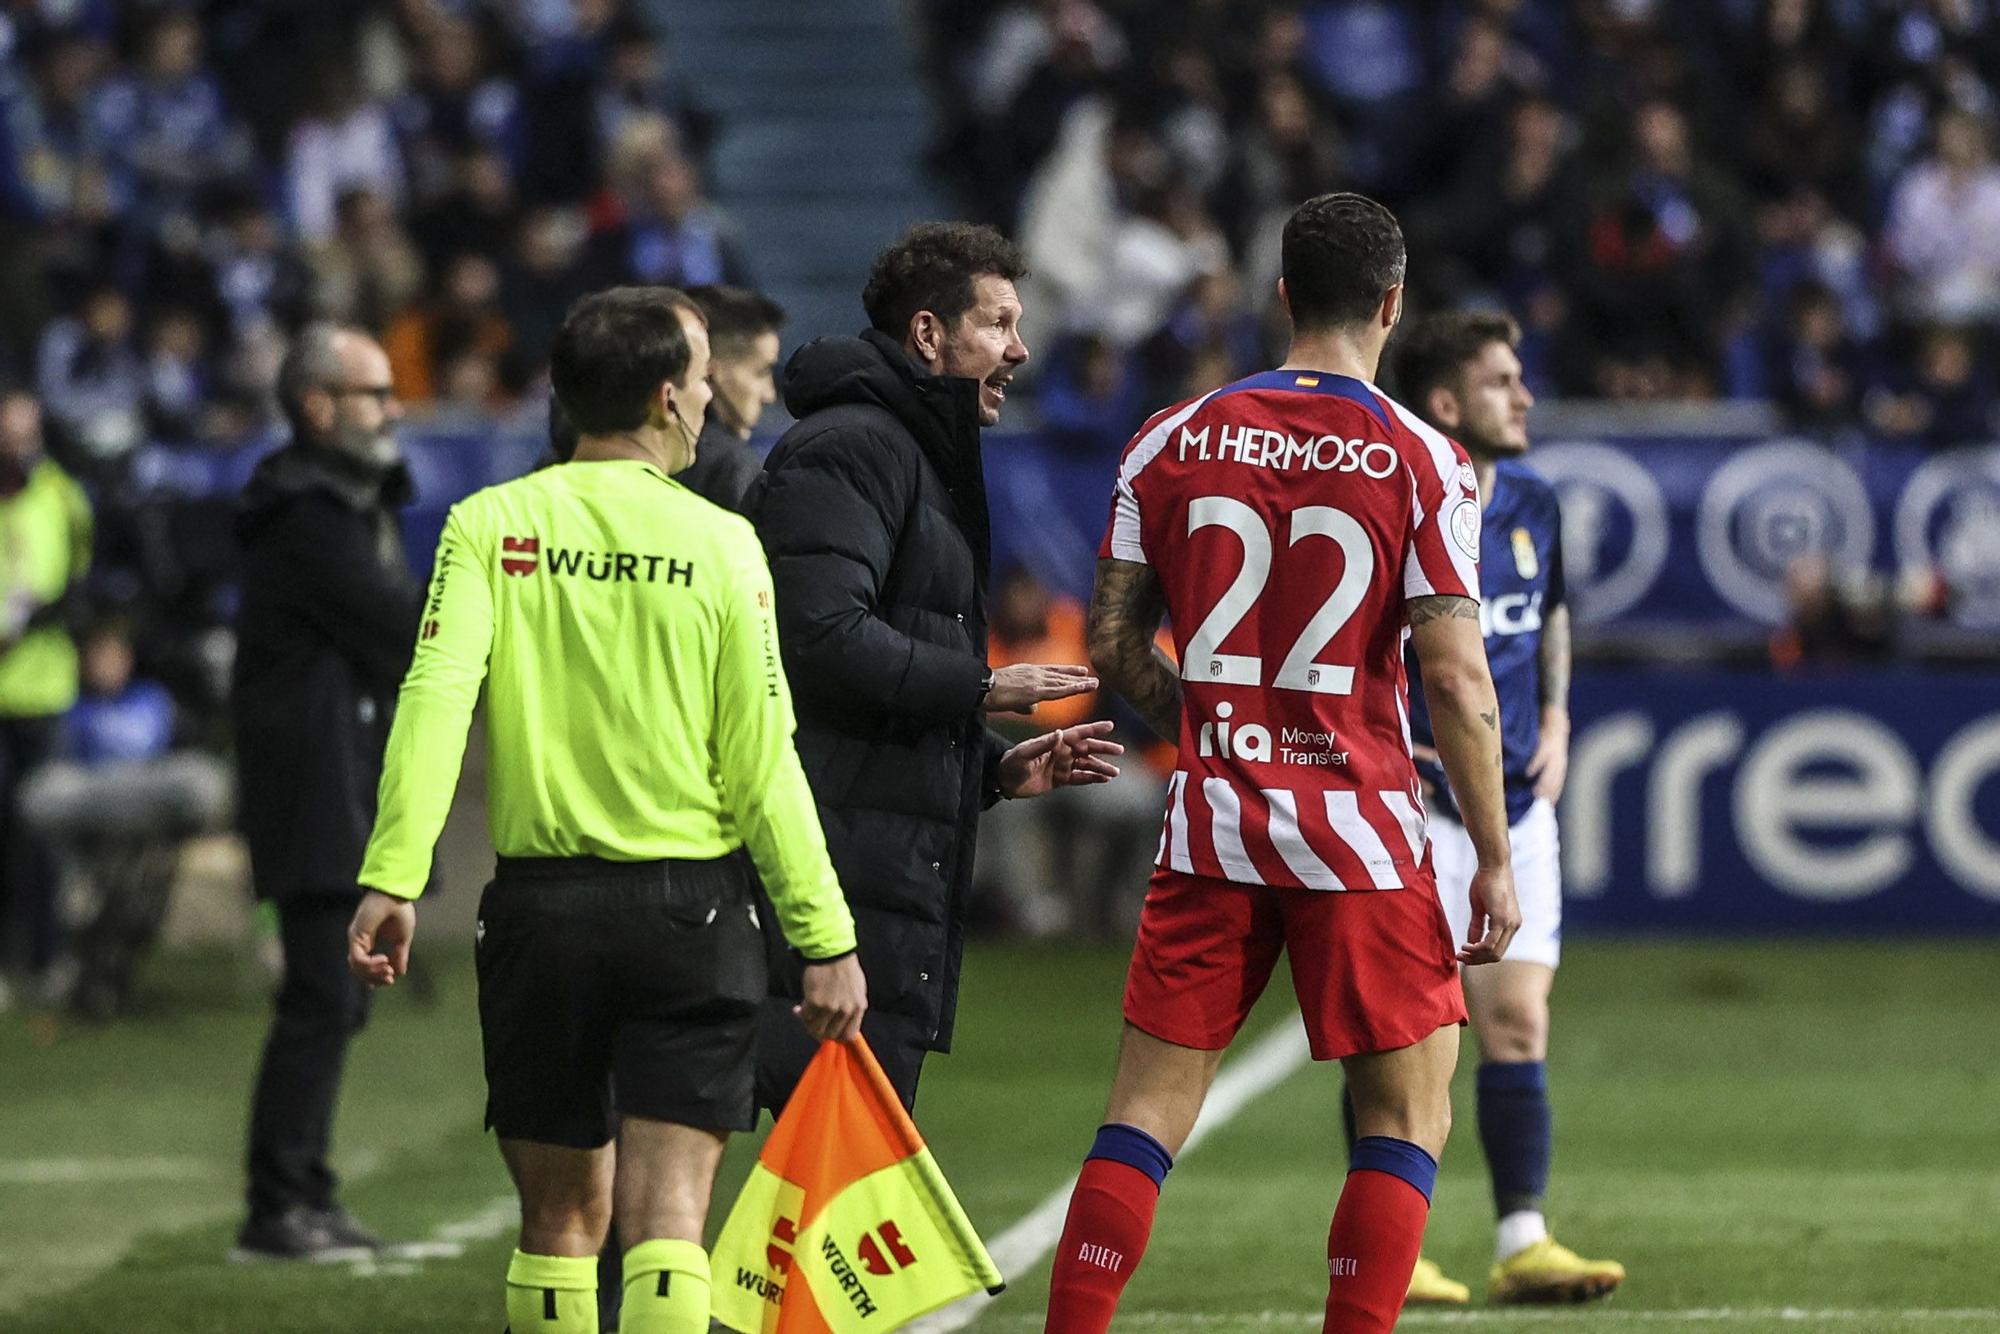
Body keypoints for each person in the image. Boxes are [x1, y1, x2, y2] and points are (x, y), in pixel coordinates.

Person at [344, 286, 867, 1334]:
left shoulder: (489, 524)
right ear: (669, 399)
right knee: (669, 1220)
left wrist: (391, 875)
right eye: (708, 378)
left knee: (555, 1224)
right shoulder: (722, 544)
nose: (716, 397)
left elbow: (435, 699)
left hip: (542, 913)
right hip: (694, 915)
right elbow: (762, 759)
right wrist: (824, 934)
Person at [1042, 193, 1521, 1334]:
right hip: (1357, 831)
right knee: (1403, 1120)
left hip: (1211, 822)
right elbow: (1454, 677)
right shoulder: (1422, 459)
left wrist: (1218, 727)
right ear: (1392, 305)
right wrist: (1493, 855)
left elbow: (1111, 643)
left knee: (1144, 1113)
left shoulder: (1168, 437)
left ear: (1281, 295)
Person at [749, 221, 1125, 1112]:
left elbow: (877, 684)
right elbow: (819, 637)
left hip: (875, 864)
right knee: (800, 1175)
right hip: (829, 878)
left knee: (833, 1187)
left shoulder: (910, 452)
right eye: (998, 325)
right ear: (927, 335)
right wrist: (982, 688)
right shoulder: (856, 448)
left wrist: (990, 764)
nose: (1021, 350)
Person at [1383, 310, 1627, 1306]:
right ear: (1445, 403)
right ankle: (1389, 1249)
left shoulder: (1531, 497)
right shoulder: (1397, 503)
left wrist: (1560, 713)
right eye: (1498, 381)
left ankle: (1521, 1237)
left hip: (1517, 802)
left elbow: (1551, 610)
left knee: (1516, 1019)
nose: (1522, 395)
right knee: (1409, 1043)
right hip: (1415, 800)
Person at [233, 324, 424, 1260]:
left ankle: (302, 1191)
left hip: (324, 780)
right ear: (319, 407)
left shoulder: (325, 500)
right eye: (374, 394)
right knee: (319, 995)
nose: (394, 410)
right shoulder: (309, 514)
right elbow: (397, 628)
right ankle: (279, 1206)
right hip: (311, 789)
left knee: (332, 1001)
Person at [20, 617, 232, 1020]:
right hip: (95, 808)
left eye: (114, 656)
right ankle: (78, 929)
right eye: (99, 657)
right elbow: (50, 788)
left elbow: (185, 766)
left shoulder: (153, 700)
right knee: (46, 795)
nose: (107, 666)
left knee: (202, 781)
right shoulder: (75, 709)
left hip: (150, 803)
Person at [0, 389, 92, 1011]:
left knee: (44, 833)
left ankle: (48, 955)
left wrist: (30, 621)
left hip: (43, 687)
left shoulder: (63, 497)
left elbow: (82, 586)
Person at [677, 284, 785, 511]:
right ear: (710, 372)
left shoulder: (635, 448)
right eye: (761, 372)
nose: (769, 395)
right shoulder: (733, 466)